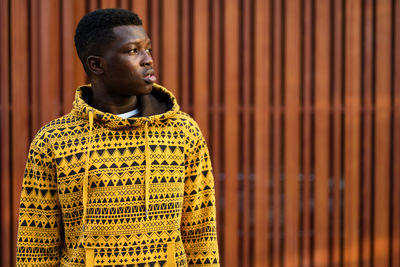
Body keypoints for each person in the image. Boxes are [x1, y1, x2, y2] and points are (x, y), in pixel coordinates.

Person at [16, 8, 219, 266]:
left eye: (148, 49)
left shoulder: (182, 132)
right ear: (97, 64)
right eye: (133, 50)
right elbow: (36, 245)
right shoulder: (53, 141)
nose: (148, 60)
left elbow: (201, 232)